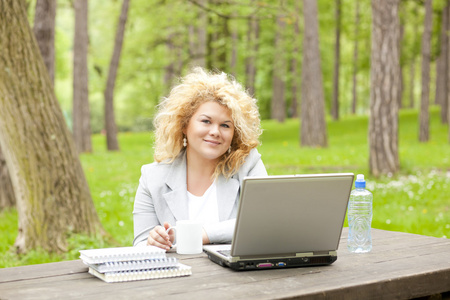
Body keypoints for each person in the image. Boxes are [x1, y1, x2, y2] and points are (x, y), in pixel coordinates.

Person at [133, 68, 267, 250]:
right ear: (184, 124)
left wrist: (201, 235)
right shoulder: (152, 177)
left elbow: (262, 221)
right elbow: (140, 244)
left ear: (235, 133)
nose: (215, 132)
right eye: (206, 121)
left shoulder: (247, 164)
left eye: (225, 125)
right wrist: (152, 242)